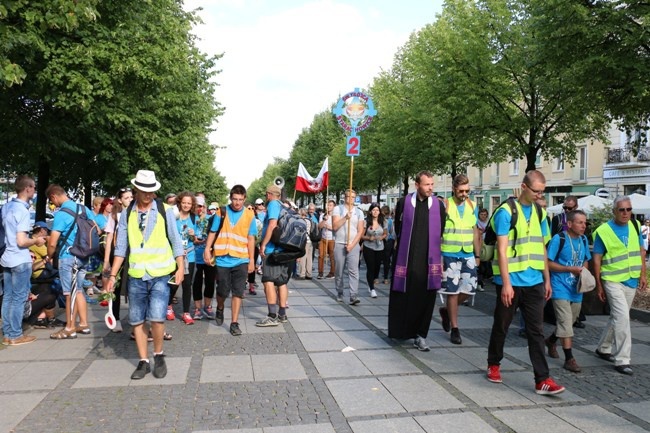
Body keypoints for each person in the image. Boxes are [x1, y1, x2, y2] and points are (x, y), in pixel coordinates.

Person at [486, 170, 565, 395]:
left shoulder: (541, 214)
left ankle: (542, 379)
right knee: (501, 325)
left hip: (534, 281)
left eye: (543, 191)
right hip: (510, 281)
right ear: (524, 187)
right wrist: (507, 284)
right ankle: (494, 363)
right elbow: (501, 250)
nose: (541, 196)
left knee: (536, 331)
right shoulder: (506, 212)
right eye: (536, 191)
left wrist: (547, 279)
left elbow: (541, 247)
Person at [105, 169, 185, 380]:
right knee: (137, 320)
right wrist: (112, 276)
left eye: (151, 191)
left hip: (160, 273)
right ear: (136, 190)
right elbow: (120, 247)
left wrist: (181, 267)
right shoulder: (127, 214)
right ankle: (143, 361)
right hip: (137, 274)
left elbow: (175, 240)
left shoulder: (164, 210)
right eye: (144, 191)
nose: (148, 195)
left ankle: (158, 355)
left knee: (157, 318)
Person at [388, 170, 445, 352]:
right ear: (417, 185)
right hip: (407, 258)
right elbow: (398, 226)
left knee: (425, 299)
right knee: (403, 295)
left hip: (428, 262)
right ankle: (400, 332)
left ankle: (421, 335)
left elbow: (440, 229)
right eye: (427, 184)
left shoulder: (438, 206)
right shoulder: (404, 203)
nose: (430, 188)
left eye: (432, 184)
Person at [592, 196, 647, 375]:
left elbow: (640, 251)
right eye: (622, 210)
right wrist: (599, 284)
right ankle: (622, 359)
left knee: (618, 316)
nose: (626, 213)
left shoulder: (635, 226)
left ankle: (603, 347)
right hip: (612, 279)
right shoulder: (603, 231)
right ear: (614, 211)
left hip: (631, 279)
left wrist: (643, 274)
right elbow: (597, 259)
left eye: (629, 209)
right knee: (623, 317)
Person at [204, 185, 257, 336]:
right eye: (235, 199)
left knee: (238, 292)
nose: (237, 203)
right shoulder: (221, 212)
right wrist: (207, 249)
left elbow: (251, 238)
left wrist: (252, 259)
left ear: (244, 199)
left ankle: (234, 323)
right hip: (222, 259)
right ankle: (219, 307)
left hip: (241, 259)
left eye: (240, 200)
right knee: (222, 290)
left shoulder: (249, 215)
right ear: (231, 198)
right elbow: (213, 232)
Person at [46, 184, 95, 341]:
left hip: (68, 257)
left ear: (53, 196)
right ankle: (84, 324)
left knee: (68, 293)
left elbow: (52, 242)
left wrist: (49, 255)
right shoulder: (83, 209)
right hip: (83, 256)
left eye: (51, 201)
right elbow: (98, 228)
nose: (53, 204)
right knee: (78, 289)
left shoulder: (62, 214)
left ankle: (69, 328)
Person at [544, 210, 591, 372]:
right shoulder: (559, 239)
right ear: (569, 224)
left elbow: (585, 260)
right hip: (560, 287)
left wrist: (584, 274)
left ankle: (551, 340)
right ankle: (569, 358)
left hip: (576, 288)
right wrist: (568, 268)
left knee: (569, 322)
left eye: (585, 223)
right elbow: (547, 264)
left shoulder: (584, 239)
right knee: (565, 322)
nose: (584, 226)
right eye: (580, 222)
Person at [1, 175, 45, 346]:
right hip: (19, 258)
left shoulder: (6, 207)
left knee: (8, 297)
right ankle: (15, 335)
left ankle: (7, 333)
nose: (34, 191)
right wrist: (36, 241)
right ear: (27, 188)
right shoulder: (22, 211)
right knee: (19, 298)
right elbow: (21, 241)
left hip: (7, 258)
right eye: (33, 187)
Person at [439, 174, 481, 345]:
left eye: (467, 191)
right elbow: (438, 230)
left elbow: (475, 231)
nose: (465, 194)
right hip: (449, 253)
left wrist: (477, 255)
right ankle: (455, 328)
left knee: (470, 288)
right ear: (454, 189)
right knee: (452, 291)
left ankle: (446, 311)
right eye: (461, 191)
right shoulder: (446, 205)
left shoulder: (473, 205)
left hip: (468, 253)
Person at [255, 184, 290, 326]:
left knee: (268, 280)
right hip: (283, 249)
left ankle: (272, 316)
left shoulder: (273, 205)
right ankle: (282, 314)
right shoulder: (284, 206)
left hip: (272, 250)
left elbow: (272, 225)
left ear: (269, 194)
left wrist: (263, 244)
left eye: (266, 194)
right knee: (281, 282)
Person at [101, 187, 133, 333]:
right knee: (116, 287)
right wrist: (107, 260)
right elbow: (109, 239)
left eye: (131, 197)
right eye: (126, 198)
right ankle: (115, 317)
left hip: (134, 256)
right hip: (119, 255)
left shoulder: (137, 212)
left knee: (134, 288)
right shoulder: (115, 215)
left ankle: (136, 320)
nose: (130, 200)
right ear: (120, 200)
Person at [332, 189, 365, 305]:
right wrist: (345, 218)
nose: (350, 199)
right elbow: (335, 226)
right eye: (348, 197)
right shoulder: (338, 209)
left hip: (353, 244)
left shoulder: (359, 212)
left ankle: (353, 295)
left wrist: (352, 244)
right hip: (340, 243)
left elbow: (360, 230)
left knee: (353, 271)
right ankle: (340, 292)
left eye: (353, 197)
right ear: (344, 197)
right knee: (339, 270)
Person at [169, 191, 197, 324]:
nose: (186, 205)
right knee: (174, 282)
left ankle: (186, 312)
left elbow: (198, 238)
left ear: (192, 205)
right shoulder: (173, 216)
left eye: (189, 203)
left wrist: (193, 235)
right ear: (179, 202)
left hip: (189, 255)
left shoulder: (194, 218)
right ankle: (168, 306)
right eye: (184, 202)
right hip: (174, 255)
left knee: (187, 284)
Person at [192, 195, 216, 320]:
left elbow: (215, 234)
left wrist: (207, 240)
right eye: (196, 206)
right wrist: (193, 239)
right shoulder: (191, 218)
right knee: (196, 283)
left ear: (205, 207)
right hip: (195, 256)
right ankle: (197, 309)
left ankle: (208, 306)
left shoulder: (210, 219)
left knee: (210, 282)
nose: (199, 208)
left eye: (201, 206)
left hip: (209, 256)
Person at [361, 203, 386, 298]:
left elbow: (385, 234)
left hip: (380, 247)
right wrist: (368, 238)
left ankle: (371, 281)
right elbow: (362, 235)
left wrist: (381, 237)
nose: (375, 212)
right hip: (369, 247)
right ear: (370, 211)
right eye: (374, 210)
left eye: (377, 210)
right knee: (370, 267)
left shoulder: (383, 221)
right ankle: (372, 288)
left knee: (377, 268)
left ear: (379, 212)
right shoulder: (366, 222)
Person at [317, 200, 336, 279]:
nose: (328, 206)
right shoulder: (322, 215)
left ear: (334, 206)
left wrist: (330, 227)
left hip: (332, 238)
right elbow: (319, 226)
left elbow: (337, 227)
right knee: (321, 255)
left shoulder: (335, 216)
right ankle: (320, 272)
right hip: (323, 238)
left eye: (330, 205)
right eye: (327, 205)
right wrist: (324, 220)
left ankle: (332, 272)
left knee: (332, 256)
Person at [296, 208, 314, 280]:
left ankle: (302, 274)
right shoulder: (309, 220)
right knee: (309, 258)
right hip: (310, 240)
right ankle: (309, 274)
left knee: (303, 257)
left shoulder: (300, 221)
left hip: (304, 241)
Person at [476, 207, 490, 291]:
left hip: (487, 246)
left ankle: (481, 280)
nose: (483, 216)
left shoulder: (489, 223)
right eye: (481, 214)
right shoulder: (476, 222)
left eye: (485, 215)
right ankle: (479, 283)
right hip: (478, 245)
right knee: (480, 266)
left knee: (486, 266)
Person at [380, 205, 395, 285]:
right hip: (390, 241)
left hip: (384, 241)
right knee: (389, 260)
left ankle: (385, 278)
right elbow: (392, 232)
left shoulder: (383, 221)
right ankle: (388, 278)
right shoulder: (391, 220)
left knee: (385, 260)